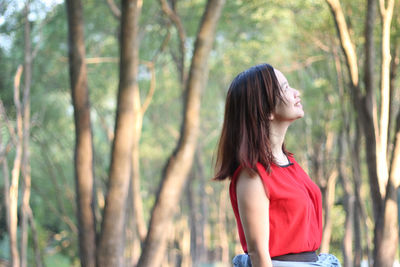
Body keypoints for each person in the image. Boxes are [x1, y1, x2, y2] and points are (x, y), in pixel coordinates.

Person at [213, 63, 341, 267]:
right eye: (285, 88)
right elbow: (258, 253)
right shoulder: (252, 176)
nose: (296, 93)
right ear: (266, 109)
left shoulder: (290, 163)